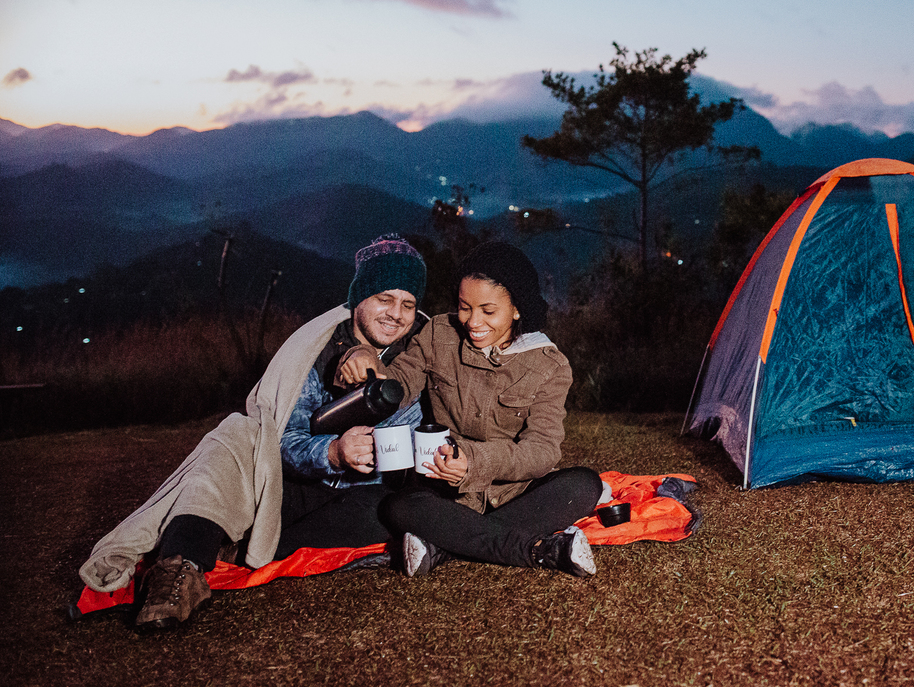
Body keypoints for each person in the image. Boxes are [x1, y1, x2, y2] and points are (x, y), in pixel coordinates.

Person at [79, 235, 430, 631]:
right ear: (360, 297)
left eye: (408, 304)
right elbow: (281, 439)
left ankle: (239, 545)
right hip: (292, 486)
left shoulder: (419, 355)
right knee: (234, 437)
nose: (396, 314)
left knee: (392, 512)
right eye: (385, 298)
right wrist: (334, 452)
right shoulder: (316, 351)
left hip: (364, 495)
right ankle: (179, 569)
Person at [338, 241, 602, 578]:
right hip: (444, 493)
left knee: (583, 485)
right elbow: (400, 381)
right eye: (465, 307)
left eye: (488, 311)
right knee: (399, 506)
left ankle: (444, 546)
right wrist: (361, 356)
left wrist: (474, 463)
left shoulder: (549, 365)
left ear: (517, 309)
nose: (472, 321)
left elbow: (542, 451)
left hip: (511, 492)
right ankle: (542, 550)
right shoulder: (438, 334)